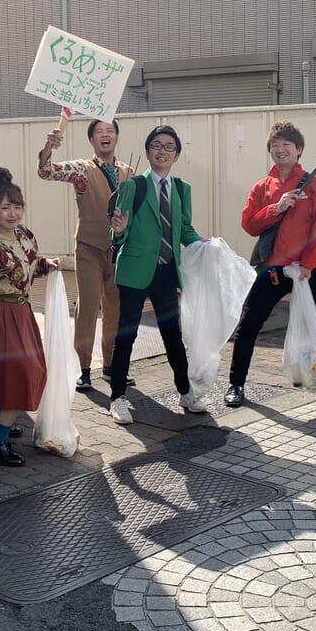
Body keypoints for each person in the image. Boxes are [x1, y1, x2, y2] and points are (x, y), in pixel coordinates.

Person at [225, 120, 316, 407]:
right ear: (269, 150)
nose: (280, 149)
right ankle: (236, 384)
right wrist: (277, 207)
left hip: (308, 272)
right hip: (271, 270)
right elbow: (249, 224)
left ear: (299, 149)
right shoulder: (262, 187)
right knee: (248, 326)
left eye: (286, 144)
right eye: (275, 145)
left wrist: (309, 264)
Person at [107, 125, 208, 424]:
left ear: (176, 154)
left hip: (166, 270)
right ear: (148, 150)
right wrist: (119, 231)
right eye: (156, 145)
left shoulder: (181, 188)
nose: (162, 151)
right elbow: (118, 233)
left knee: (172, 335)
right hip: (135, 270)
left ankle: (185, 392)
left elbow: (184, 228)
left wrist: (203, 245)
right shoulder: (132, 186)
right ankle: (117, 398)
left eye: (168, 147)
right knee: (126, 335)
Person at [0, 169, 60, 467]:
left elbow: (27, 267)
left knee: (15, 371)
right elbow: (12, 267)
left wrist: (46, 264)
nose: (12, 213)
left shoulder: (26, 235)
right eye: (5, 207)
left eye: (17, 206)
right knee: (20, 373)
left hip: (20, 311)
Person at [37, 119, 134, 392]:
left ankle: (112, 365)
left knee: (115, 307)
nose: (105, 136)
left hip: (118, 249)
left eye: (110, 131)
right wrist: (49, 146)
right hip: (89, 247)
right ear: (91, 140)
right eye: (99, 132)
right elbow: (46, 171)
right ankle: (84, 368)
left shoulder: (129, 172)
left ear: (117, 137)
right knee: (88, 306)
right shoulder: (82, 169)